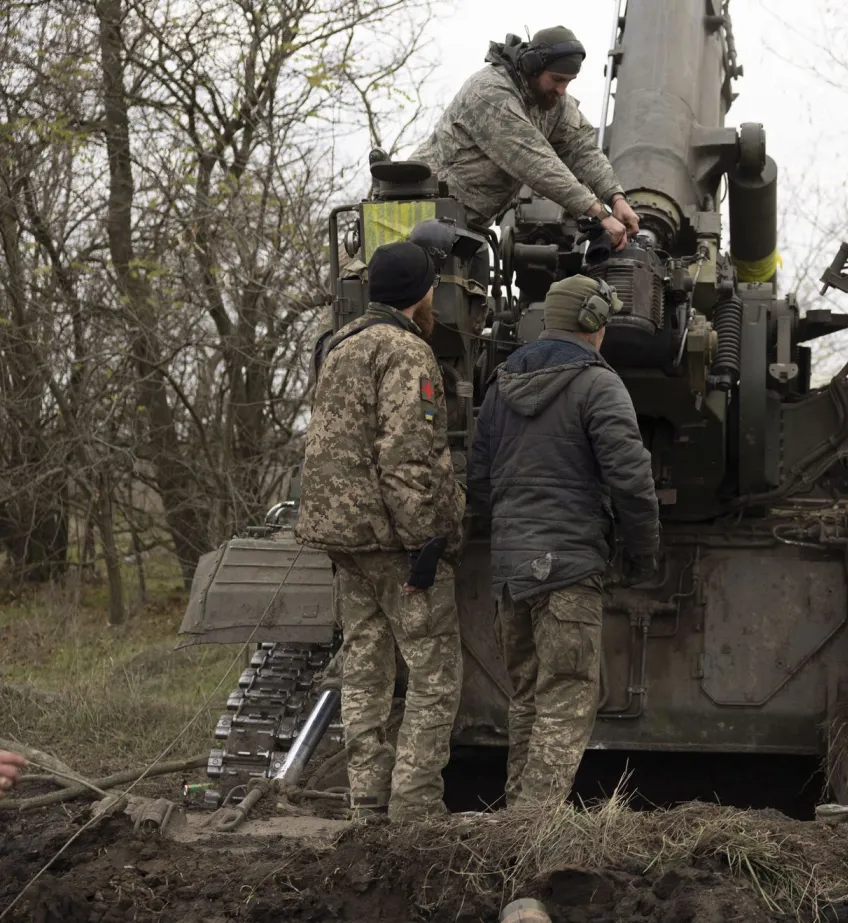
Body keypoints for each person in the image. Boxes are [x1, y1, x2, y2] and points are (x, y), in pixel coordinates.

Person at [468, 275, 660, 807]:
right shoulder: (600, 385)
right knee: (568, 695)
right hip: (569, 569)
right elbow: (631, 480)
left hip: (511, 571)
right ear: (594, 323)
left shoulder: (501, 384)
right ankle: (533, 824)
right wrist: (642, 553)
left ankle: (516, 813)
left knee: (527, 698)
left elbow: (479, 483)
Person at [295, 240, 466, 821]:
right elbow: (406, 459)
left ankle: (366, 804)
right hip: (395, 542)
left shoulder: (339, 346)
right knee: (434, 674)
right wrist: (428, 543)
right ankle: (415, 808)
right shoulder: (407, 352)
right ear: (422, 293)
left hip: (342, 540)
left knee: (364, 671)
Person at [411, 26, 641, 251]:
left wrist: (616, 199)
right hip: (417, 217)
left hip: (466, 228)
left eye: (568, 82)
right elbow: (534, 162)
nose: (561, 90)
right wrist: (599, 214)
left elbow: (582, 149)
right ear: (533, 67)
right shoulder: (489, 92)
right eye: (557, 79)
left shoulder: (554, 103)